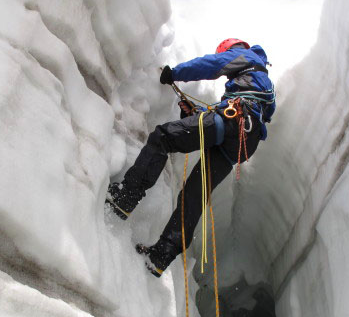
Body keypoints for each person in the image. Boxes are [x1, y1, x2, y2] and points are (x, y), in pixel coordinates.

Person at [106, 38, 276, 276]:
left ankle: (126, 196)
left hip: (233, 120)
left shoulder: (247, 57)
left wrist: (175, 73)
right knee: (195, 193)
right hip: (243, 141)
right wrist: (195, 114)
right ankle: (161, 255)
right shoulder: (258, 80)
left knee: (163, 137)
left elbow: (213, 65)